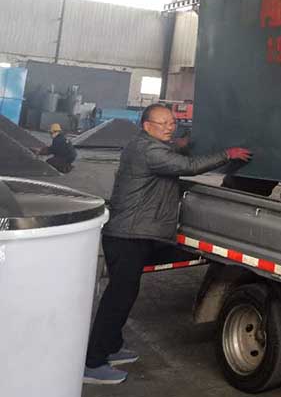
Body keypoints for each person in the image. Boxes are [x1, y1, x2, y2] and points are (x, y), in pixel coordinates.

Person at [83, 103, 253, 385]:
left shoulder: (147, 145)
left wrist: (180, 145)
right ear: (146, 126)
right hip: (128, 236)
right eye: (162, 123)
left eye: (172, 122)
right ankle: (93, 362)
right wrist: (227, 154)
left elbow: (171, 153)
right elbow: (188, 166)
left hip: (133, 234)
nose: (170, 127)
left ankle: (111, 346)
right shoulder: (148, 151)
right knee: (118, 299)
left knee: (124, 295)